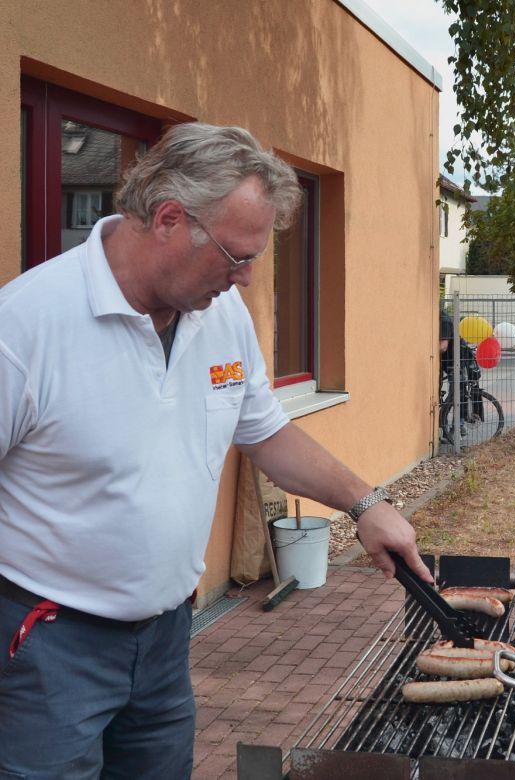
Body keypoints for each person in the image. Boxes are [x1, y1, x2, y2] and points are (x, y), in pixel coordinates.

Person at [0, 122, 432, 780]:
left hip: (167, 642)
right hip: (50, 649)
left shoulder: (219, 315)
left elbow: (262, 429)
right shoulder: (27, 326)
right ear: (170, 218)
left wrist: (365, 503)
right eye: (236, 256)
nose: (250, 280)